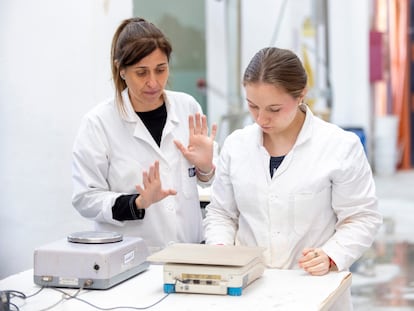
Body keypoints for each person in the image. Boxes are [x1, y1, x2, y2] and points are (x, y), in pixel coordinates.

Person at [203, 47, 382, 310]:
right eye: (252, 106)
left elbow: (362, 216)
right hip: (249, 289)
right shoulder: (237, 146)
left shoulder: (339, 146)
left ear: (301, 95)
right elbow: (222, 213)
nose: (261, 118)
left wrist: (331, 255)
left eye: (274, 109)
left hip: (314, 290)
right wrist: (220, 249)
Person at [71, 17, 217, 253]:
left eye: (161, 69)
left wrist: (206, 167)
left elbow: (207, 180)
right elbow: (85, 198)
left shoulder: (187, 107)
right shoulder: (98, 123)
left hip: (188, 251)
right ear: (122, 70)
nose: (153, 82)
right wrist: (137, 203)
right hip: (129, 257)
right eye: (141, 73)